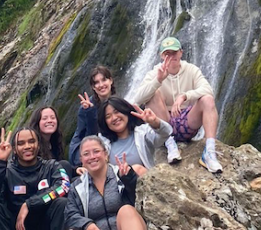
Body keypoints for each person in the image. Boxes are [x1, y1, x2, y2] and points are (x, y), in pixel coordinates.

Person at [134, 36, 222, 173]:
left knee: (207, 99)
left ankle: (209, 152)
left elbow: (208, 90)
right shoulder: (155, 72)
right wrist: (157, 80)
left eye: (174, 52)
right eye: (167, 53)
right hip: (163, 126)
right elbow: (137, 99)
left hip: (187, 122)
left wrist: (185, 96)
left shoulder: (191, 69)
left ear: (181, 52)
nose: (171, 56)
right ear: (161, 56)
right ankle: (170, 144)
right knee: (153, 93)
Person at [99, 96, 172, 175]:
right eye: (108, 116)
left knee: (137, 169)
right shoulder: (102, 142)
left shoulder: (142, 132)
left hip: (144, 182)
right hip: (117, 185)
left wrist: (155, 122)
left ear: (125, 111)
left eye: (116, 112)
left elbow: (166, 133)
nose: (114, 118)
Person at [68, 64, 115, 168]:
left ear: (110, 80)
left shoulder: (116, 102)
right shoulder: (86, 107)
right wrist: (90, 112)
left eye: (104, 80)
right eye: (96, 82)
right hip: (81, 151)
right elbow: (90, 136)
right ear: (93, 87)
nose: (101, 84)